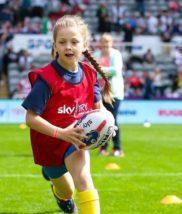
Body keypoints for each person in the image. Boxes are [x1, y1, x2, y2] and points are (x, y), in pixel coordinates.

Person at [22, 15, 114, 214]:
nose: (68, 47)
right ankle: (59, 194)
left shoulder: (89, 74)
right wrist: (61, 133)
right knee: (67, 190)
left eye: (74, 42)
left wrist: (108, 122)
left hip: (77, 141)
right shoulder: (46, 79)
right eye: (62, 42)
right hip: (49, 142)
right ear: (54, 46)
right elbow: (30, 118)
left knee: (83, 180)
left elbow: (99, 108)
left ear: (84, 45)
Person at [93, 33, 125, 157]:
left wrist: (99, 70)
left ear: (111, 43)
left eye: (107, 42)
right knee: (102, 121)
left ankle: (117, 148)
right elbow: (93, 72)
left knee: (113, 120)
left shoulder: (116, 54)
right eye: (103, 41)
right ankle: (103, 148)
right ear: (100, 43)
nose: (105, 44)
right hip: (99, 93)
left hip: (114, 93)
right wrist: (104, 71)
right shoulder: (96, 55)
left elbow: (115, 71)